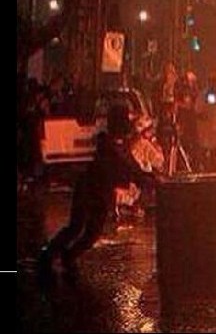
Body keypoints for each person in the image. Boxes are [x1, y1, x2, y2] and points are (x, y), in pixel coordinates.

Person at [39, 103, 157, 276]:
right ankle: (48, 258)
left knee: (92, 232)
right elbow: (124, 164)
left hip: (100, 192)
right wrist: (144, 178)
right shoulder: (108, 142)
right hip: (89, 189)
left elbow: (130, 163)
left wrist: (149, 177)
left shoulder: (119, 142)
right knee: (76, 227)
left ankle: (67, 257)